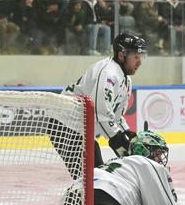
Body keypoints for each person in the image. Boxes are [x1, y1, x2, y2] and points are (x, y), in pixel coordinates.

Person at [61, 32, 145, 169]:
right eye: (135, 57)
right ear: (121, 55)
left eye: (141, 56)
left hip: (81, 128)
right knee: (93, 177)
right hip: (65, 123)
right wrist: (117, 139)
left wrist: (128, 132)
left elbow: (116, 116)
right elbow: (100, 113)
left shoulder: (126, 80)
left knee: (97, 175)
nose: (140, 62)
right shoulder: (109, 74)